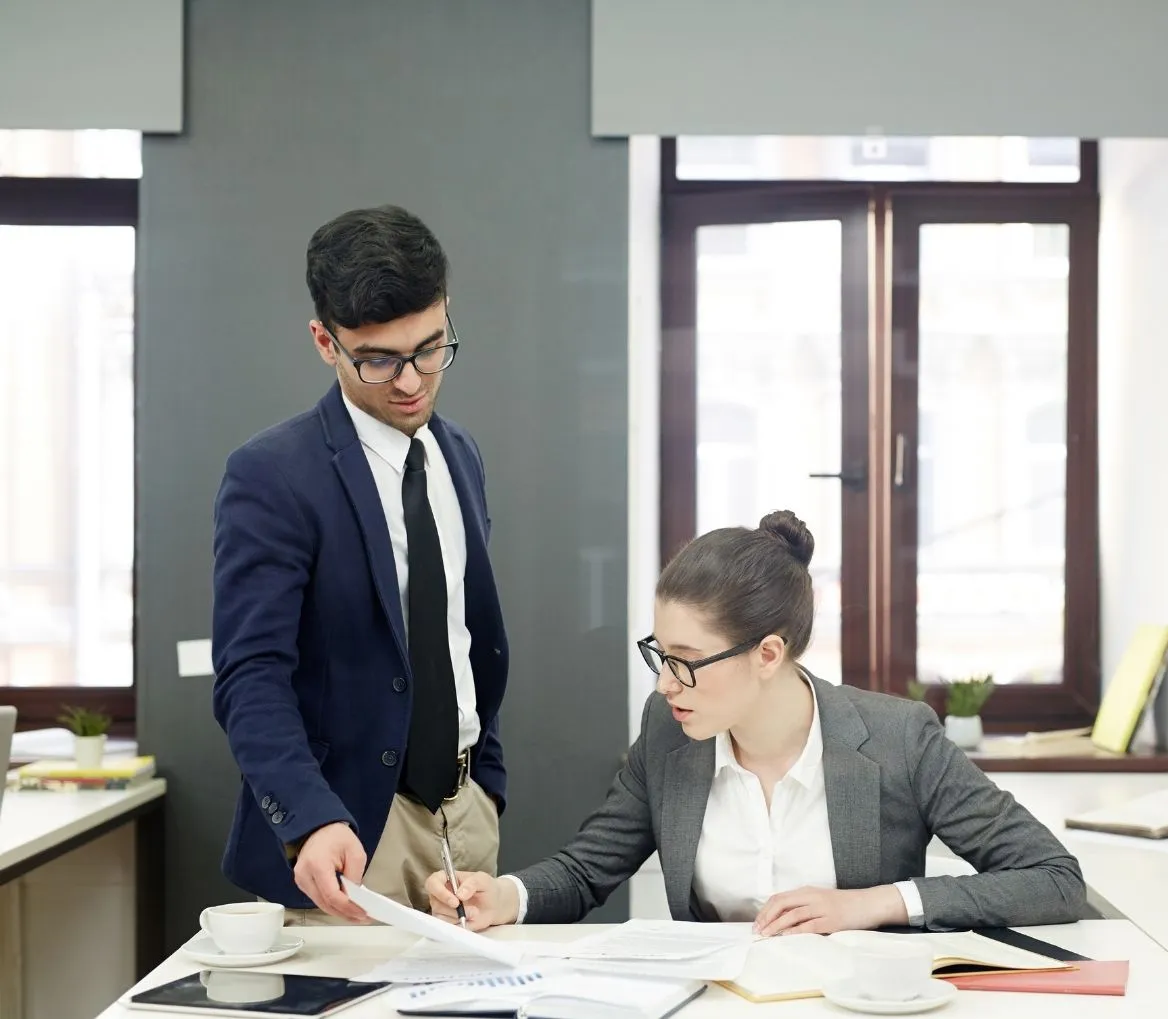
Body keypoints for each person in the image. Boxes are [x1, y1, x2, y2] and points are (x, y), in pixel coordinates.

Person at [426, 510, 1086, 935]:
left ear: (768, 653)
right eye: (659, 653)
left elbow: (1053, 878)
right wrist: (504, 894)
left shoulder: (899, 737)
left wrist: (877, 901)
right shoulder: (669, 730)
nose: (663, 684)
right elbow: (585, 871)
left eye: (685, 661)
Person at [211, 205, 509, 923]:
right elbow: (251, 673)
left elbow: (461, 638)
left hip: (466, 819)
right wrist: (309, 818)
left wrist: (487, 783)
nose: (410, 381)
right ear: (325, 341)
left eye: (431, 348)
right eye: (378, 358)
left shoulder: (458, 454)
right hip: (342, 835)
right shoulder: (272, 474)